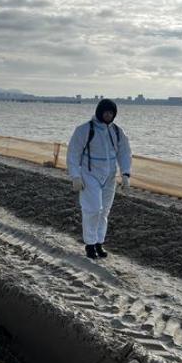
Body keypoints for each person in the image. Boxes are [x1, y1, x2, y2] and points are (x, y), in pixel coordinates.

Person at [66, 99, 132, 259]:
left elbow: (124, 153)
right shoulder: (85, 130)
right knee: (93, 209)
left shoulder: (117, 132)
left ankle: (98, 243)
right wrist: (75, 175)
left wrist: (125, 174)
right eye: (106, 112)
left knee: (104, 212)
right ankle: (89, 244)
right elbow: (73, 153)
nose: (108, 115)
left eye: (111, 112)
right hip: (90, 175)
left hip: (109, 177)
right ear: (99, 112)